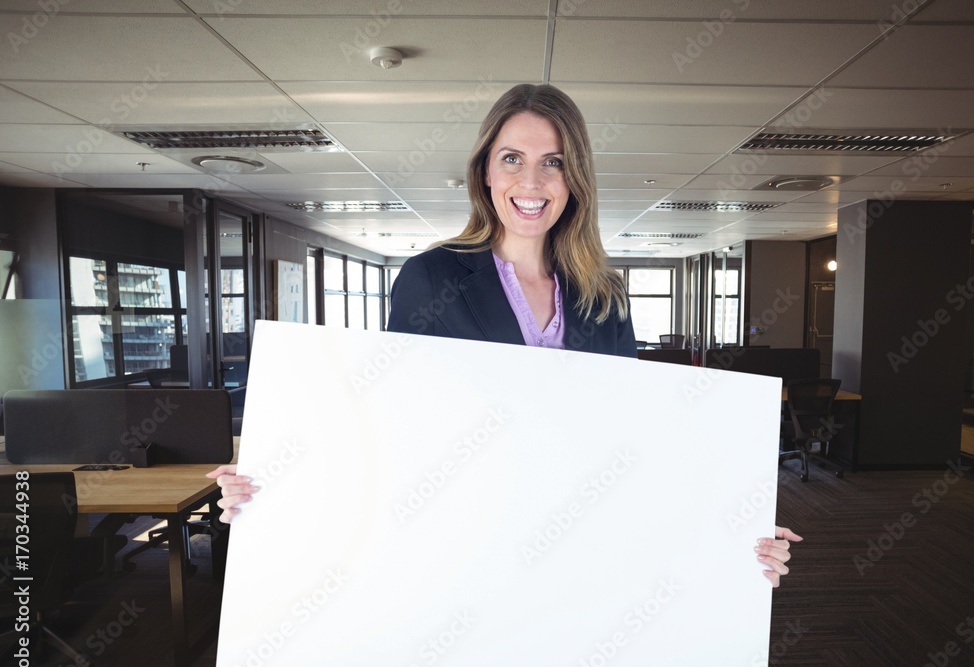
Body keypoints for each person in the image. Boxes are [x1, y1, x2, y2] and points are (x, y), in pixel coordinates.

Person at [207, 84, 802, 587]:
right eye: (512, 158)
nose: (533, 180)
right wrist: (279, 487)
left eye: (554, 162)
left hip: (583, 552)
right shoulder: (431, 278)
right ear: (486, 170)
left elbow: (634, 439)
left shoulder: (606, 298)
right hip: (465, 548)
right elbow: (390, 423)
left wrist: (730, 519)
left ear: (574, 179)